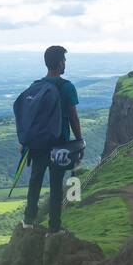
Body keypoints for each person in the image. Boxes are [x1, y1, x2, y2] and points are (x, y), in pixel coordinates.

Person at [23, 45, 83, 233]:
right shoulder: (67, 87)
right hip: (59, 144)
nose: (65, 64)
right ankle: (54, 228)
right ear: (59, 63)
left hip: (38, 144)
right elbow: (73, 117)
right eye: (64, 60)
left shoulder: (36, 86)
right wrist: (79, 140)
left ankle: (28, 221)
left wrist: (26, 142)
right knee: (56, 186)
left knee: (35, 182)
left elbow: (29, 119)